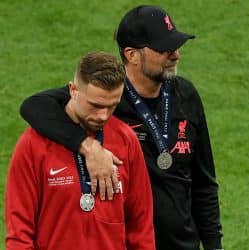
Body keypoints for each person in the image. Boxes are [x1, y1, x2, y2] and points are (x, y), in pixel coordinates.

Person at [20, 5, 223, 250]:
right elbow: (34, 106)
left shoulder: (187, 96)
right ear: (131, 54)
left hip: (182, 244)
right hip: (128, 242)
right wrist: (88, 147)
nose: (176, 55)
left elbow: (204, 184)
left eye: (176, 46)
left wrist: (214, 246)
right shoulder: (105, 99)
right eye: (164, 49)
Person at [6, 51, 155, 249]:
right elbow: (19, 232)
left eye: (112, 107)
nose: (103, 116)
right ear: (73, 90)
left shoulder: (126, 140)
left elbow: (141, 226)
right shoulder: (33, 145)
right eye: (95, 105)